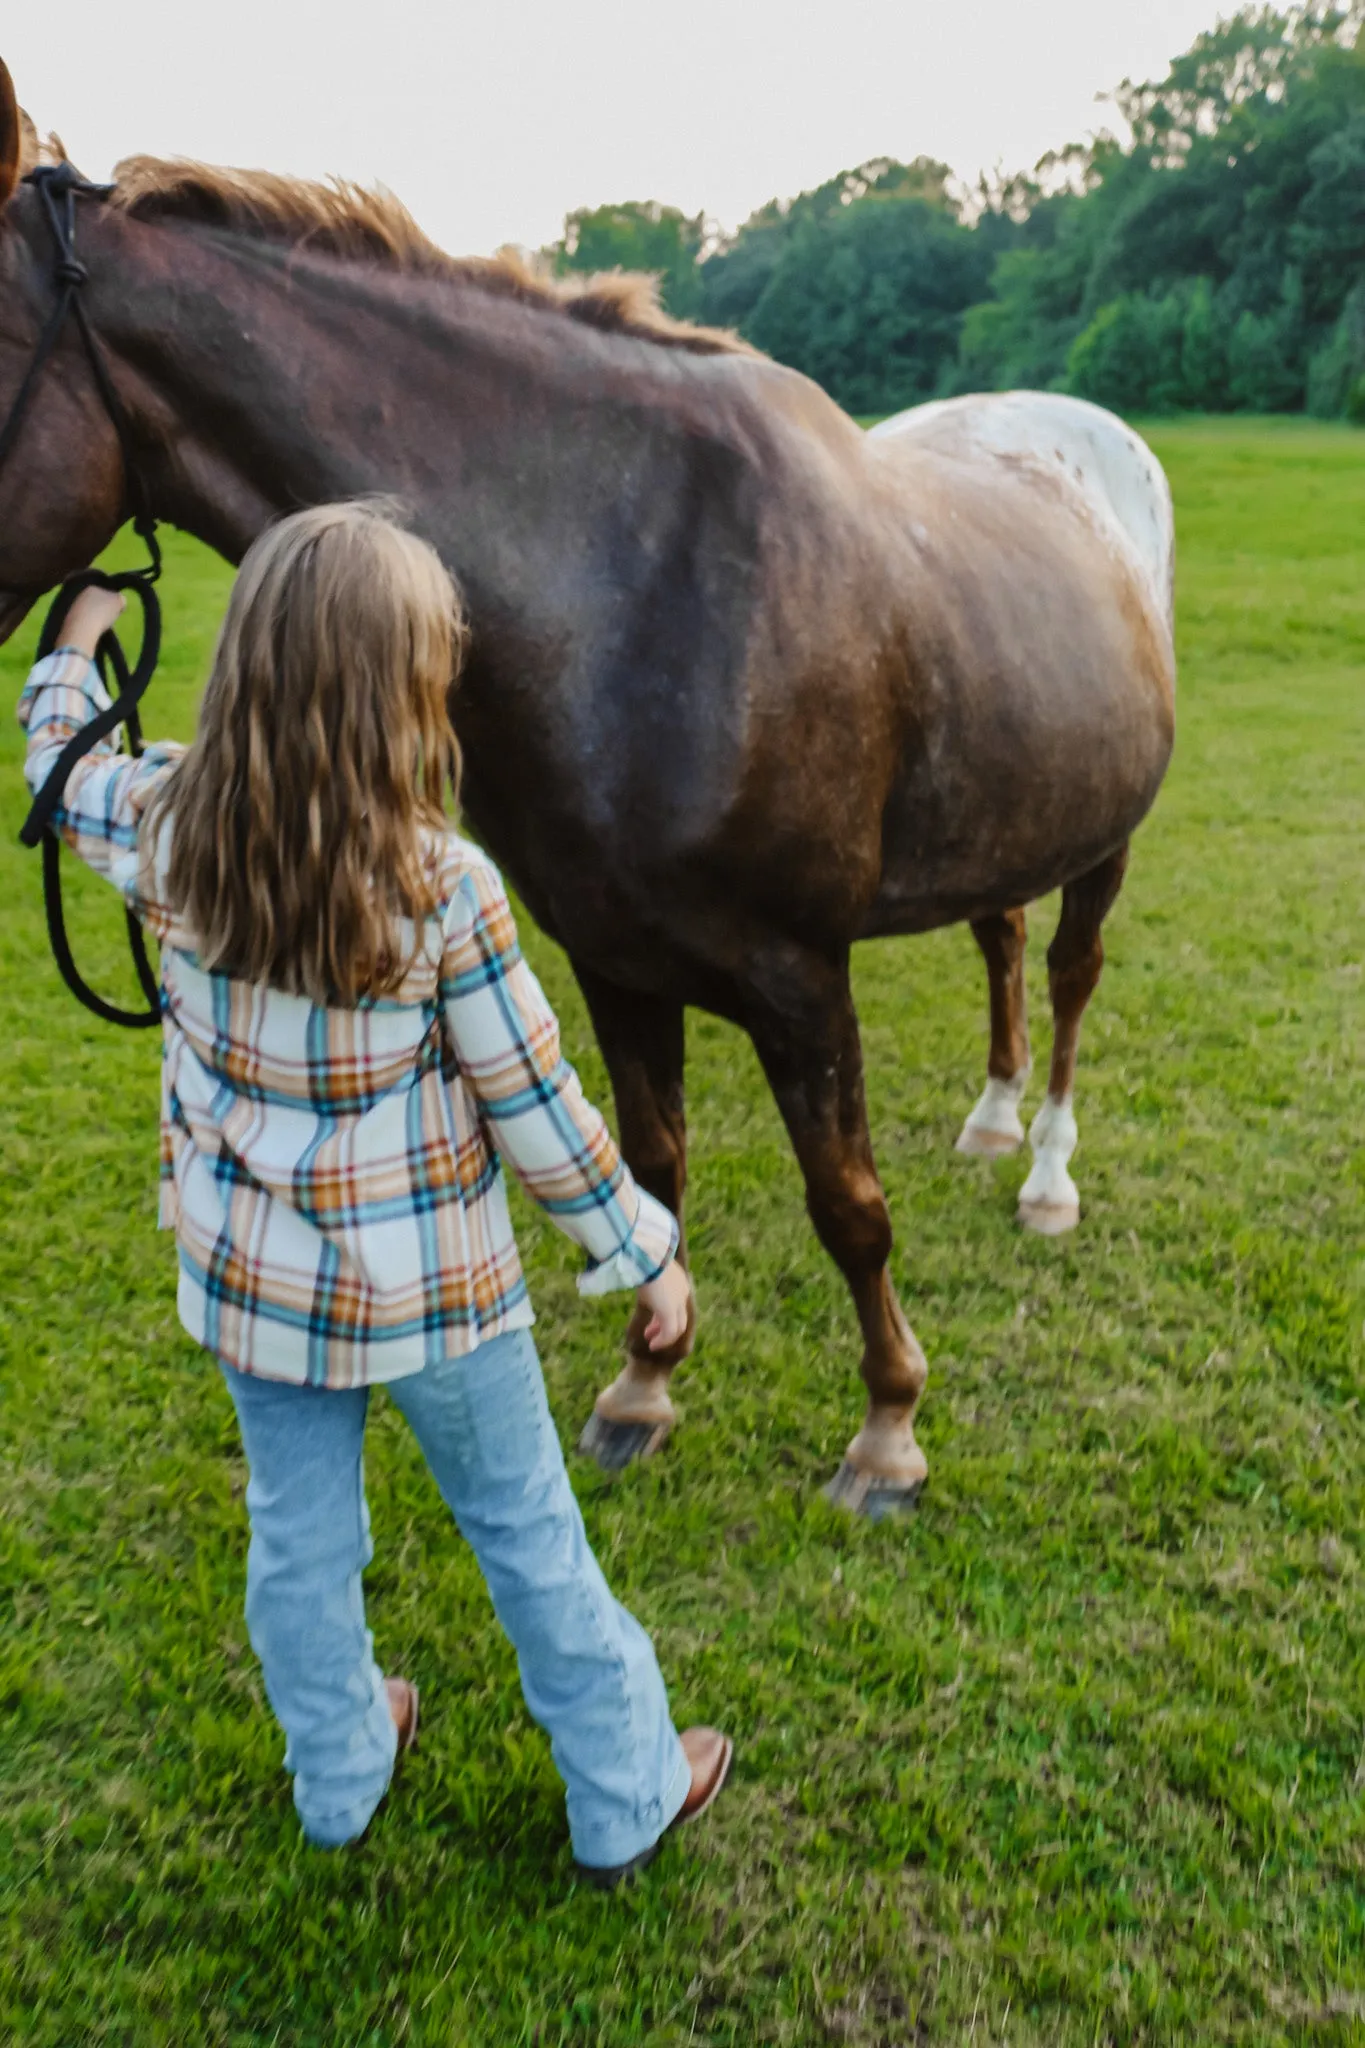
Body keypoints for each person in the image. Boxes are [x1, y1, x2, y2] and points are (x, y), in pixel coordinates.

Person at [16, 500, 731, 1885]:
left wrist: (74, 642)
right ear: (403, 688)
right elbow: (535, 1108)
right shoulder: (439, 886)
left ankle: (340, 1773)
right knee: (527, 1536)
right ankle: (627, 1791)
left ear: (248, 662)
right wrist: (642, 1253)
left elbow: (56, 766)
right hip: (440, 1300)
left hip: (253, 1288)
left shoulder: (163, 825)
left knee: (298, 1542)